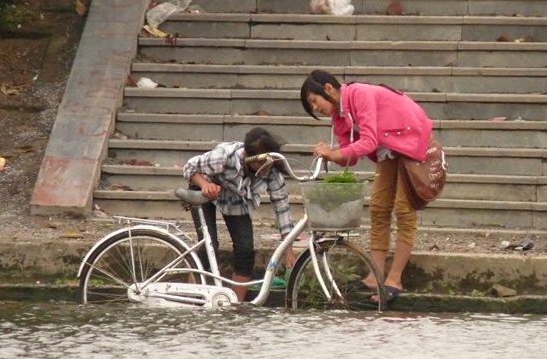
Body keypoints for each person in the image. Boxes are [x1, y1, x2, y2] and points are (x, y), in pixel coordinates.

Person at [299, 70, 433, 304]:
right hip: (389, 147)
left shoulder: (358, 94)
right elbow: (349, 159)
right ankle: (375, 276)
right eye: (312, 107)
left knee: (404, 209)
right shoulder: (338, 118)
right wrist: (331, 155)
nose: (316, 108)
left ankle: (395, 279)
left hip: (411, 138)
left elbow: (369, 140)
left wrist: (335, 153)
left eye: (314, 101)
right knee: (379, 208)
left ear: (329, 89)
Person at [182, 127, 297, 302]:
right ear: (247, 156)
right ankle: (190, 298)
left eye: (268, 163)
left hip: (235, 199)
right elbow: (189, 167)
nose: (265, 168)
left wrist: (289, 249)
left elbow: (281, 205)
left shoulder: (271, 170)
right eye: (260, 164)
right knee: (209, 245)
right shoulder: (224, 156)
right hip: (205, 192)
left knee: (245, 249)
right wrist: (204, 184)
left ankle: (235, 304)